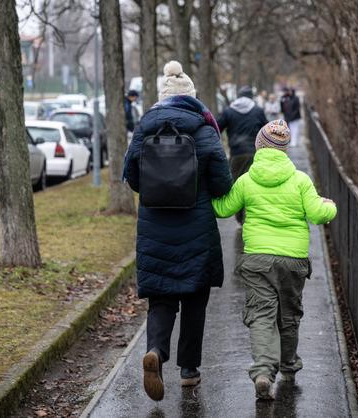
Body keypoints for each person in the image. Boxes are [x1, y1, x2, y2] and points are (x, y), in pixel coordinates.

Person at [122, 61, 232, 401]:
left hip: (155, 229)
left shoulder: (144, 129)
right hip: (196, 228)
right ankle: (188, 371)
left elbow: (132, 175)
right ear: (192, 97)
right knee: (195, 300)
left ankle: (155, 350)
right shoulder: (204, 130)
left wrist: (156, 193)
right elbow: (222, 183)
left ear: (161, 97)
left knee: (162, 299)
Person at [211, 120, 337, 400]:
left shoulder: (246, 180)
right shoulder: (300, 180)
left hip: (257, 259)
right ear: (285, 149)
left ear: (259, 146)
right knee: (289, 315)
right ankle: (289, 365)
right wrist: (330, 206)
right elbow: (317, 214)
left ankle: (263, 372)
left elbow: (223, 209)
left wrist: (205, 196)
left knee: (261, 316)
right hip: (293, 260)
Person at [216, 85, 268, 224]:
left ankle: (240, 217)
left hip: (236, 154)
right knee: (253, 185)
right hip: (254, 153)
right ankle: (249, 216)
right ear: (251, 97)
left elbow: (216, 128)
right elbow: (267, 129)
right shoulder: (258, 111)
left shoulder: (229, 111)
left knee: (236, 186)